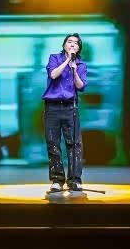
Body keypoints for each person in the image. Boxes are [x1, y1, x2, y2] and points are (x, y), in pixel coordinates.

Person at [43, 33, 88, 192]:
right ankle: (57, 180)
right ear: (64, 45)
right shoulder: (54, 58)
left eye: (76, 43)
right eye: (69, 42)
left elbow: (80, 86)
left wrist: (74, 70)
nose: (72, 44)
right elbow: (53, 74)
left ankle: (74, 180)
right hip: (52, 107)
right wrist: (68, 60)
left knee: (74, 144)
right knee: (53, 143)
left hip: (70, 107)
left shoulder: (81, 65)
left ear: (79, 48)